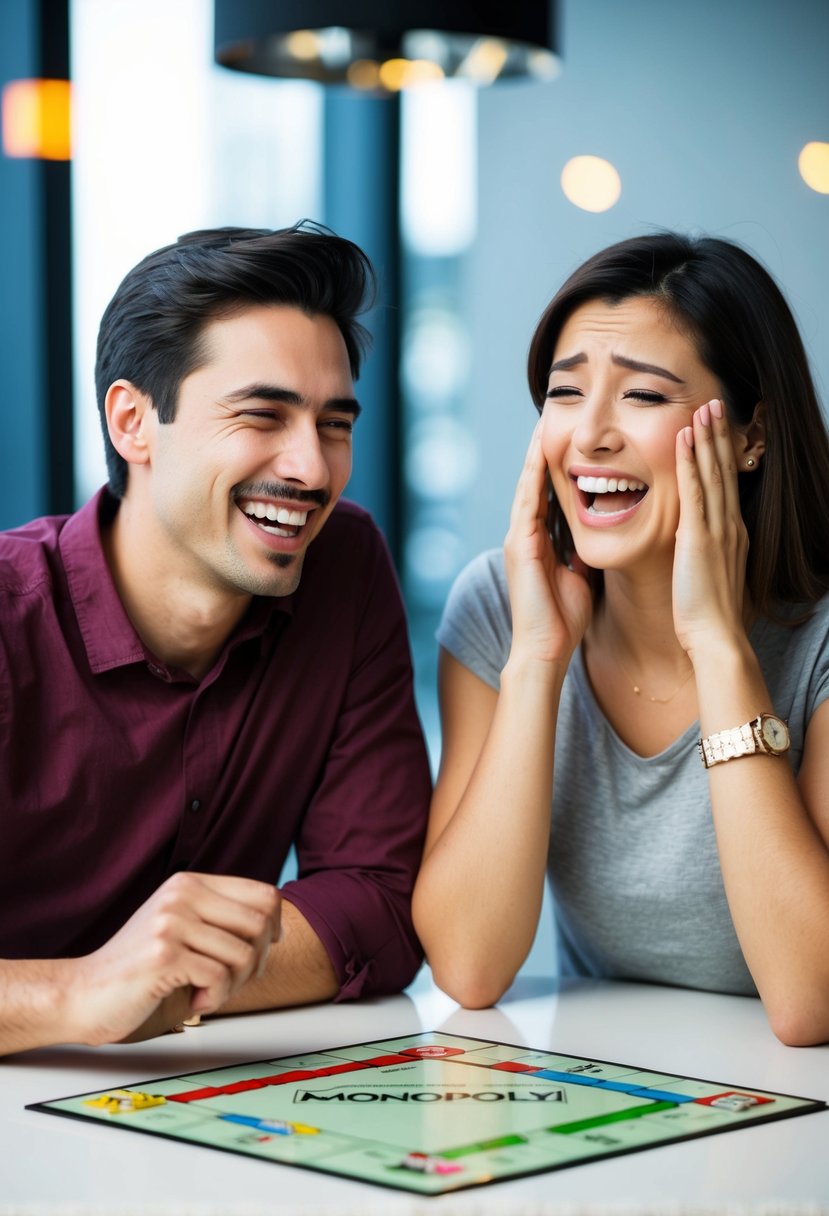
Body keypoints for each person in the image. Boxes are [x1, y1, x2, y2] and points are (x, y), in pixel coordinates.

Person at [0, 223, 431, 1055]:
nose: (311, 470)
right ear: (133, 423)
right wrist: (80, 993)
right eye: (261, 414)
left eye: (333, 424)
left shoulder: (341, 563)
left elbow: (380, 905)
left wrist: (162, 990)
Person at [412, 232, 829, 1046]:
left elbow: (811, 998)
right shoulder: (499, 607)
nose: (590, 437)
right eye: (564, 395)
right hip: (615, 1090)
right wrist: (536, 660)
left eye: (641, 397)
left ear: (750, 436)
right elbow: (466, 965)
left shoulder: (816, 639)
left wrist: (716, 647)